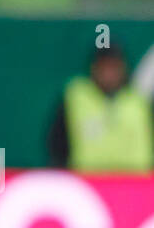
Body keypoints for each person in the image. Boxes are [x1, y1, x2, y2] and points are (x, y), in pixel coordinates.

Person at [47, 45, 153, 173]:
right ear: (94, 68)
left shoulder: (138, 101)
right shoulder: (76, 96)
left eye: (114, 67)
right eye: (104, 67)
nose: (109, 73)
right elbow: (57, 144)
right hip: (88, 184)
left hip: (135, 184)